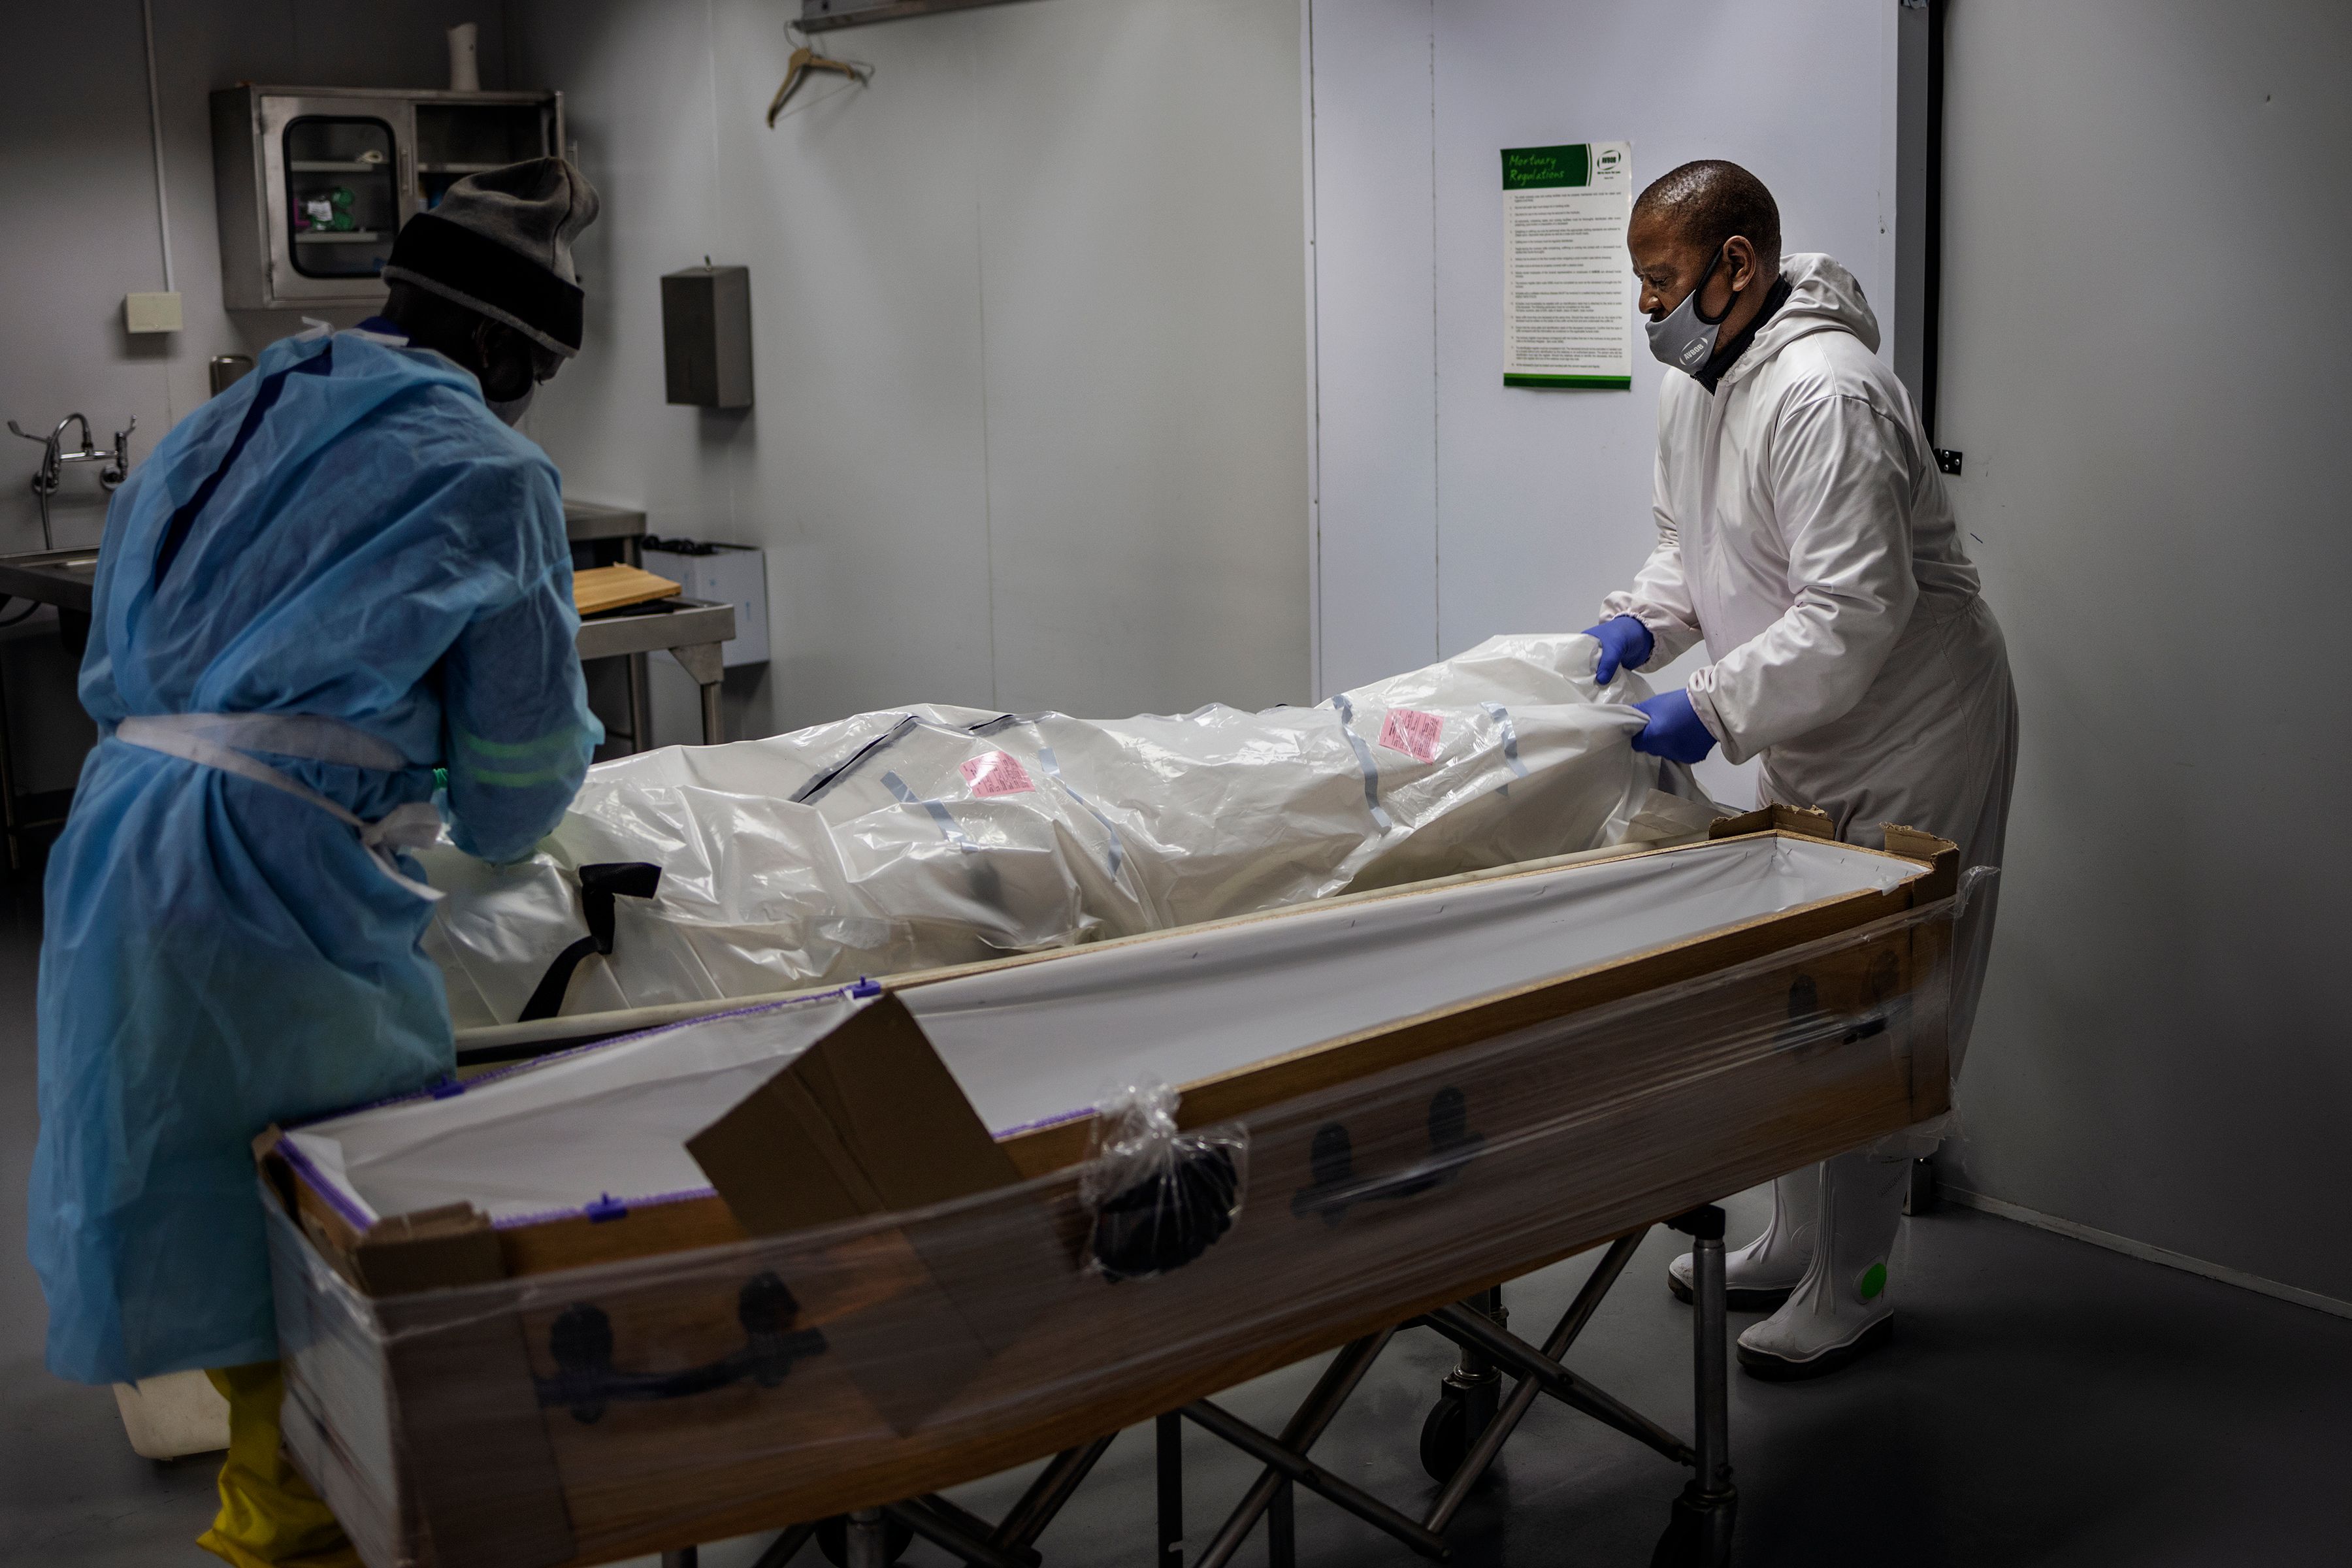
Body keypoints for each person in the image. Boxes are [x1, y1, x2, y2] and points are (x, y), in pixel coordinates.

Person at [29, 158, 604, 1567]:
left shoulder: (221, 421)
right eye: (524, 368)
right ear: (492, 346)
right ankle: (293, 1521)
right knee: (324, 1228)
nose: (518, 397)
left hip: (116, 836)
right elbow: (521, 768)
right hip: (267, 874)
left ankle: (267, 1488)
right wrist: (495, 833)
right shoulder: (485, 466)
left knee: (192, 1172)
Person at [1585, 160, 2017, 1379]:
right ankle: (1791, 1240)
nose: (1646, 307)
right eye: (1638, 282)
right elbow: (1695, 547)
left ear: (1739, 266)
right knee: (1801, 987)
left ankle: (1859, 1278)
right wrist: (1635, 624)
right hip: (1812, 725)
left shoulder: (1826, 392)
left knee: (1885, 995)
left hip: (1915, 725)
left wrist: (1708, 706)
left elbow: (1851, 614)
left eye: (1662, 281)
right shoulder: (1704, 382)